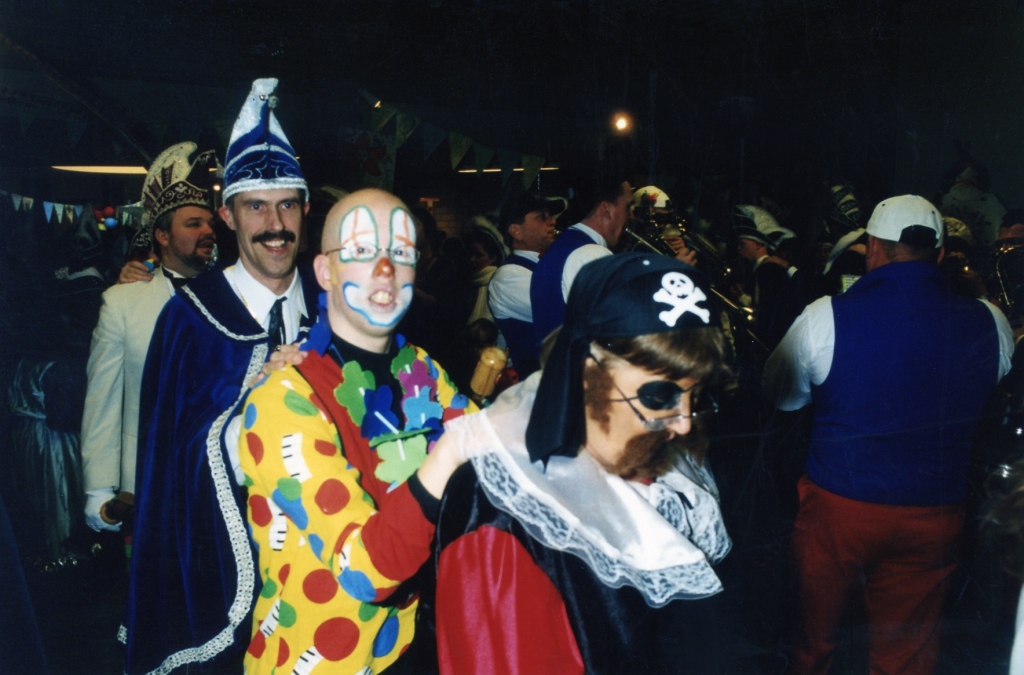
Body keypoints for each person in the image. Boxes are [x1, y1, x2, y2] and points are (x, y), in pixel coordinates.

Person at [431, 252, 733, 673]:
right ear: (589, 373)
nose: (683, 424)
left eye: (695, 395)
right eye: (660, 395)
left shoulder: (652, 458)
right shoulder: (504, 518)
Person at [763, 195, 1014, 674]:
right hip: (935, 513)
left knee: (811, 643)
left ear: (874, 247)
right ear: (941, 254)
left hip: (840, 510)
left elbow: (783, 395)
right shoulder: (992, 321)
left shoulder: (825, 315)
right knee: (907, 656)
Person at [124, 78, 321, 674]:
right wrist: (254, 410)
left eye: (287, 204)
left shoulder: (335, 311)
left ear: (305, 209)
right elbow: (169, 465)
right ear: (228, 216)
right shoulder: (189, 319)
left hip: (324, 573)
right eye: (256, 206)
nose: (275, 223)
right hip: (224, 571)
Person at [238, 188, 475, 674]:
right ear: (325, 271)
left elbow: (491, 471)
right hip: (318, 660)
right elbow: (364, 571)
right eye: (363, 251)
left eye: (402, 254)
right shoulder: (282, 398)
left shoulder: (422, 370)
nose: (386, 270)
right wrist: (454, 450)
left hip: (409, 646)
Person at [80, 142, 217, 534]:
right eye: (193, 224)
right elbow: (102, 401)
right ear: (162, 235)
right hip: (144, 488)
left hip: (217, 485)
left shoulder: (236, 300)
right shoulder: (122, 303)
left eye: (209, 224)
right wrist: (98, 488)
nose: (207, 231)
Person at [530, 162, 633, 346]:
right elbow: (623, 328)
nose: (631, 216)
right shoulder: (591, 254)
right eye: (628, 207)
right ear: (606, 210)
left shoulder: (567, 245)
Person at [488, 189, 557, 377]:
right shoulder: (509, 276)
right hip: (532, 384)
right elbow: (565, 312)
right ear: (516, 231)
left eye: (550, 216)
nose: (552, 221)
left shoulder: (548, 264)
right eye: (542, 217)